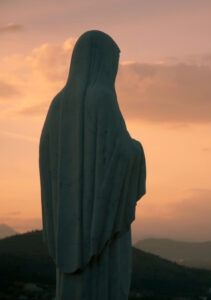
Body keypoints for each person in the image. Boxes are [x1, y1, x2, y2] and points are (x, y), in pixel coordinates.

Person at [39, 30, 146, 299]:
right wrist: (138, 149)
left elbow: (45, 159)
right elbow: (121, 153)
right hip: (103, 236)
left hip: (69, 228)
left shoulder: (57, 104)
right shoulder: (103, 99)